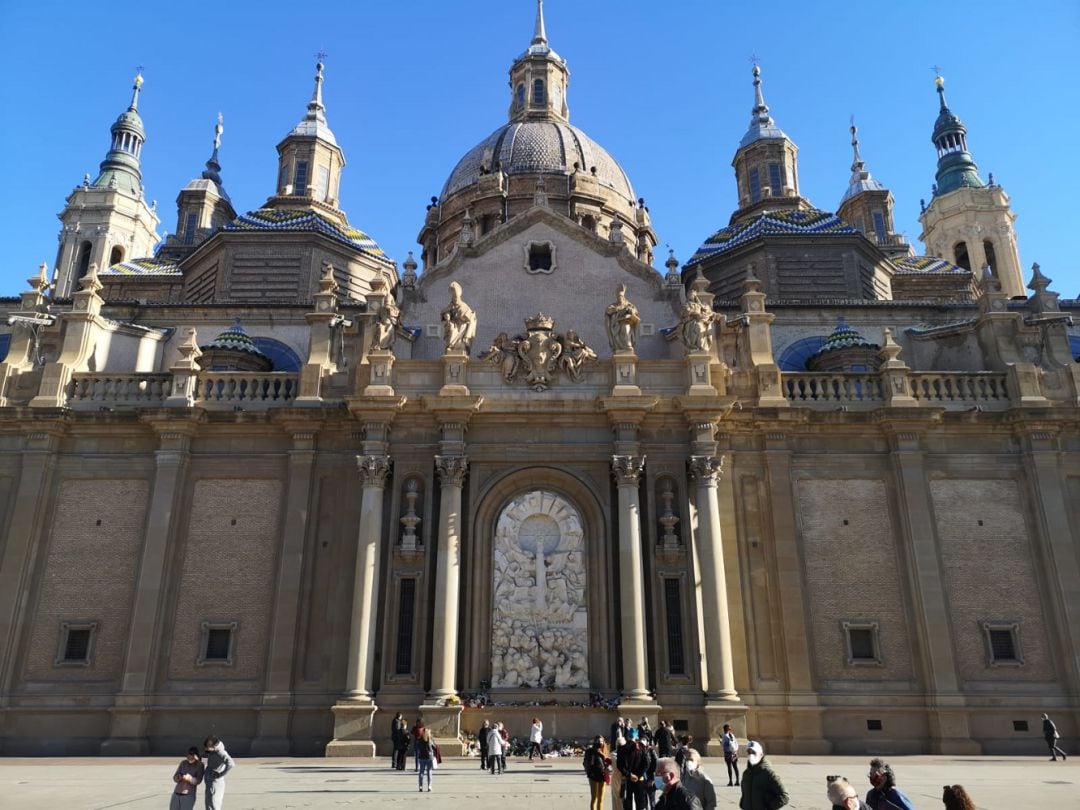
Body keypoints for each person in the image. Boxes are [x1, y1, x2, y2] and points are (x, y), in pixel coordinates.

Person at [738, 741, 788, 810]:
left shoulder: (768, 774)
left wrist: (769, 807)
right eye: (749, 752)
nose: (751, 755)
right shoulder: (746, 774)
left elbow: (784, 796)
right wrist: (743, 804)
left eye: (753, 752)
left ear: (761, 754)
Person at [617, 727, 651, 810]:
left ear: (627, 737)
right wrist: (638, 775)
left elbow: (620, 765)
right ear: (636, 737)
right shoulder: (641, 747)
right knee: (640, 802)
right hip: (639, 779)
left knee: (627, 802)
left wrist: (629, 775)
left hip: (626, 778)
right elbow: (646, 763)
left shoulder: (622, 748)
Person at [202, 736, 234, 810]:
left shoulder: (220, 753)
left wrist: (220, 774)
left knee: (213, 805)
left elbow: (231, 764)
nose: (206, 749)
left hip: (215, 783)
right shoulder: (214, 751)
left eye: (207, 747)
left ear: (214, 746)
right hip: (210, 782)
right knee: (210, 804)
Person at [584, 735, 612, 810]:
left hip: (603, 776)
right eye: (598, 741)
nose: (599, 743)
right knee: (594, 798)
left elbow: (608, 763)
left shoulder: (605, 751)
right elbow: (587, 763)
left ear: (603, 742)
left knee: (601, 799)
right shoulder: (590, 751)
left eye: (601, 741)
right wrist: (589, 773)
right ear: (595, 742)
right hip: (594, 777)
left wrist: (607, 767)